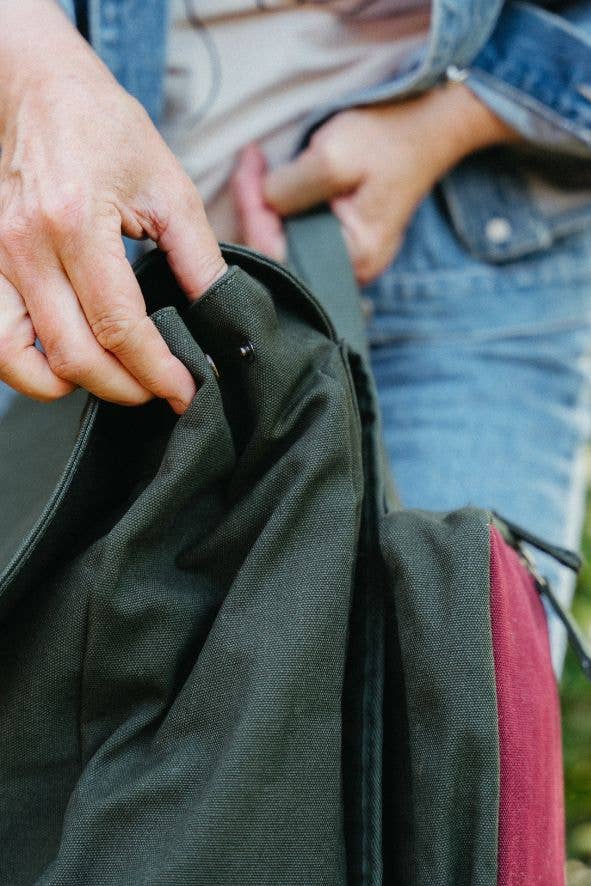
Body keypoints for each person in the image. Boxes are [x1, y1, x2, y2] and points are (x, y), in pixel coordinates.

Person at [1, 0, 590, 667]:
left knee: (445, 700)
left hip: (442, 269)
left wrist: (448, 123)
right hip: (42, 230)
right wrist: (36, 80)